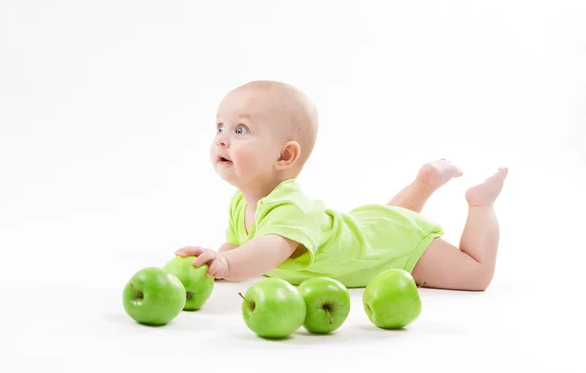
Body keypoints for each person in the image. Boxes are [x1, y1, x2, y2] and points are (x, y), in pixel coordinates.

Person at [175, 80, 508, 291]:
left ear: (285, 155)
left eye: (240, 131)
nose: (221, 139)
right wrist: (214, 263)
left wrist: (229, 266)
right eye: (220, 127)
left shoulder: (290, 205)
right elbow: (237, 247)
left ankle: (481, 204)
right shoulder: (240, 202)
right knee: (387, 225)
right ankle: (424, 183)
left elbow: (269, 250)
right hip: (368, 233)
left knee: (475, 275)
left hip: (398, 251)